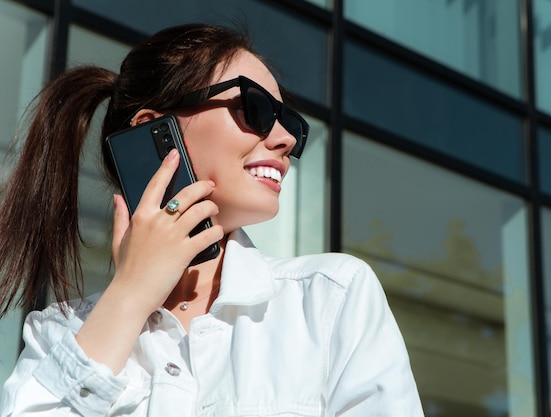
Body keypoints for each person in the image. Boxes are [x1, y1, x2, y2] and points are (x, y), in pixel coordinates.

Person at [0, 23, 424, 416]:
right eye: (254, 109)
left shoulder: (327, 301)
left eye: (288, 121)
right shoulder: (61, 333)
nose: (286, 139)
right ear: (153, 131)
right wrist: (130, 296)